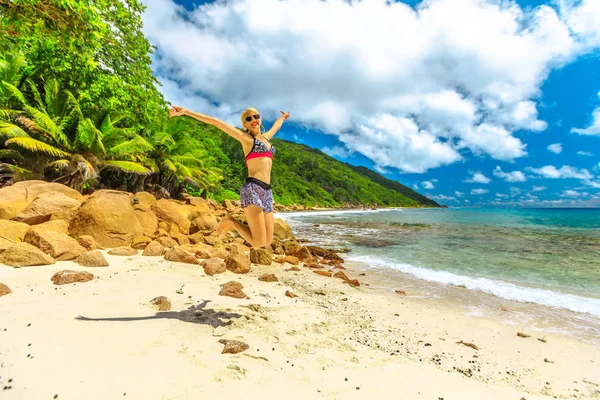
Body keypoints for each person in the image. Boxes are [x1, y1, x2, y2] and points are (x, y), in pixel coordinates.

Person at [169, 105, 290, 248]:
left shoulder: (266, 138)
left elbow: (276, 127)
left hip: (267, 192)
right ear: (245, 124)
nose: (253, 120)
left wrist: (283, 117)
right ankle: (231, 221)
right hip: (253, 188)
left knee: (268, 241)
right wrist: (186, 112)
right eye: (248, 118)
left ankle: (232, 222)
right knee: (258, 242)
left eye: (256, 116)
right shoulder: (246, 139)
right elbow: (216, 122)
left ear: (260, 118)